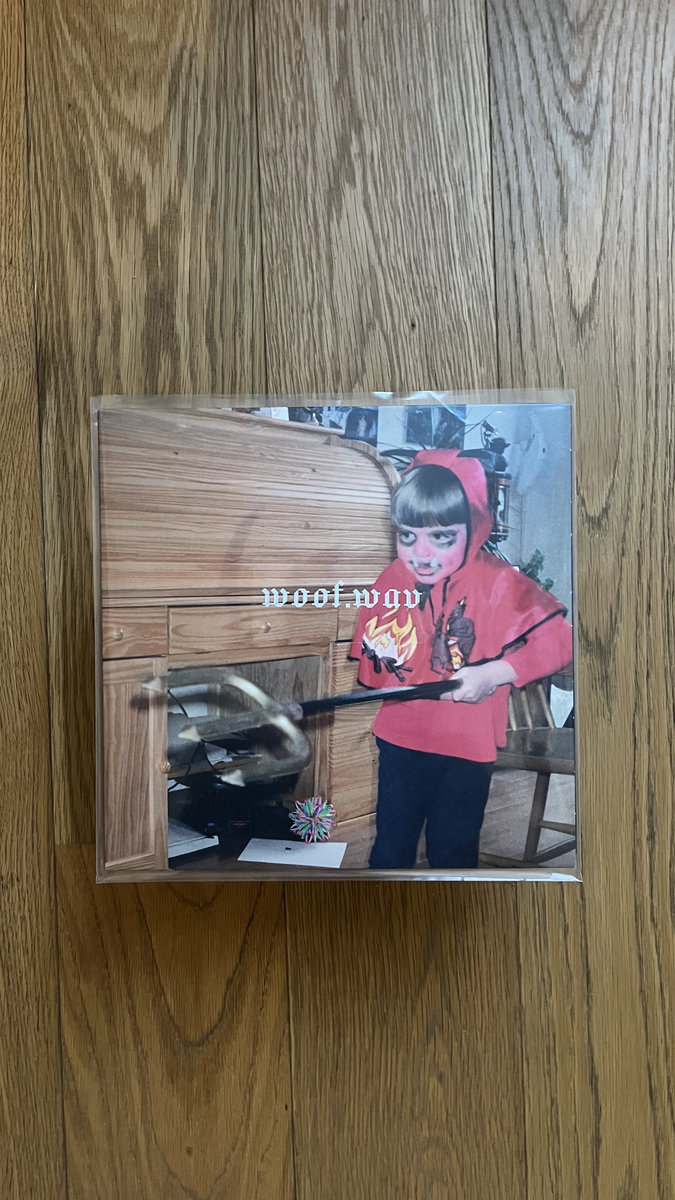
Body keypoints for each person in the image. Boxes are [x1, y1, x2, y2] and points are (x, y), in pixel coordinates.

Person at [349, 448, 573, 869]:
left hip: (465, 749)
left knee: (452, 854)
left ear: (474, 526)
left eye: (442, 538)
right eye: (408, 536)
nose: (422, 554)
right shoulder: (393, 578)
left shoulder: (501, 581)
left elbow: (563, 640)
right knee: (391, 851)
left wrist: (495, 672)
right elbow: (378, 664)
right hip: (401, 741)